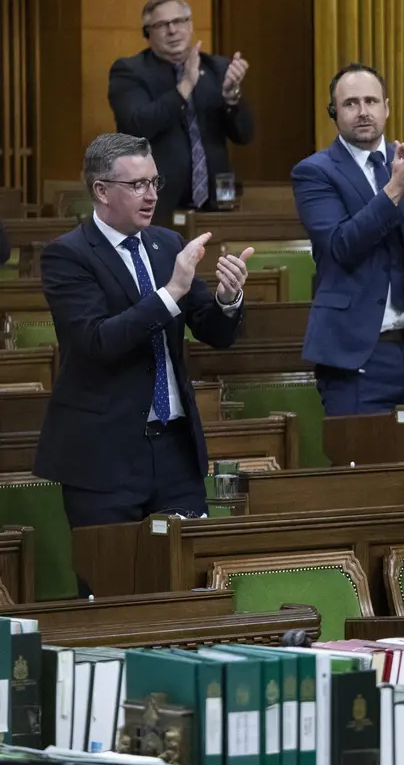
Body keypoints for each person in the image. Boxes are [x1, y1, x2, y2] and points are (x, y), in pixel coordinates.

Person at [34, 133, 252, 527]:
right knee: (112, 567)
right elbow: (97, 342)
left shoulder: (168, 244)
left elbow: (216, 333)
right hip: (104, 458)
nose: (151, 195)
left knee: (186, 564)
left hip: (176, 452)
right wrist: (171, 293)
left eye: (154, 182)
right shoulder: (67, 255)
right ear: (101, 191)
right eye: (137, 184)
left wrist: (228, 298)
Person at [293, 63, 404, 414]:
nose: (363, 112)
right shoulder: (315, 172)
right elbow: (341, 245)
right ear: (334, 113)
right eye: (350, 104)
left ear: (386, 108)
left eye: (371, 101)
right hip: (356, 355)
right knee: (361, 451)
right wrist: (394, 191)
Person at [108, 0, 254, 226]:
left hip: (216, 204)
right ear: (147, 33)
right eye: (162, 25)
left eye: (179, 21)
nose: (173, 30)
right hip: (157, 206)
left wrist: (231, 97)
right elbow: (136, 127)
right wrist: (184, 86)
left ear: (190, 25)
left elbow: (244, 135)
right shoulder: (130, 71)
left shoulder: (216, 68)